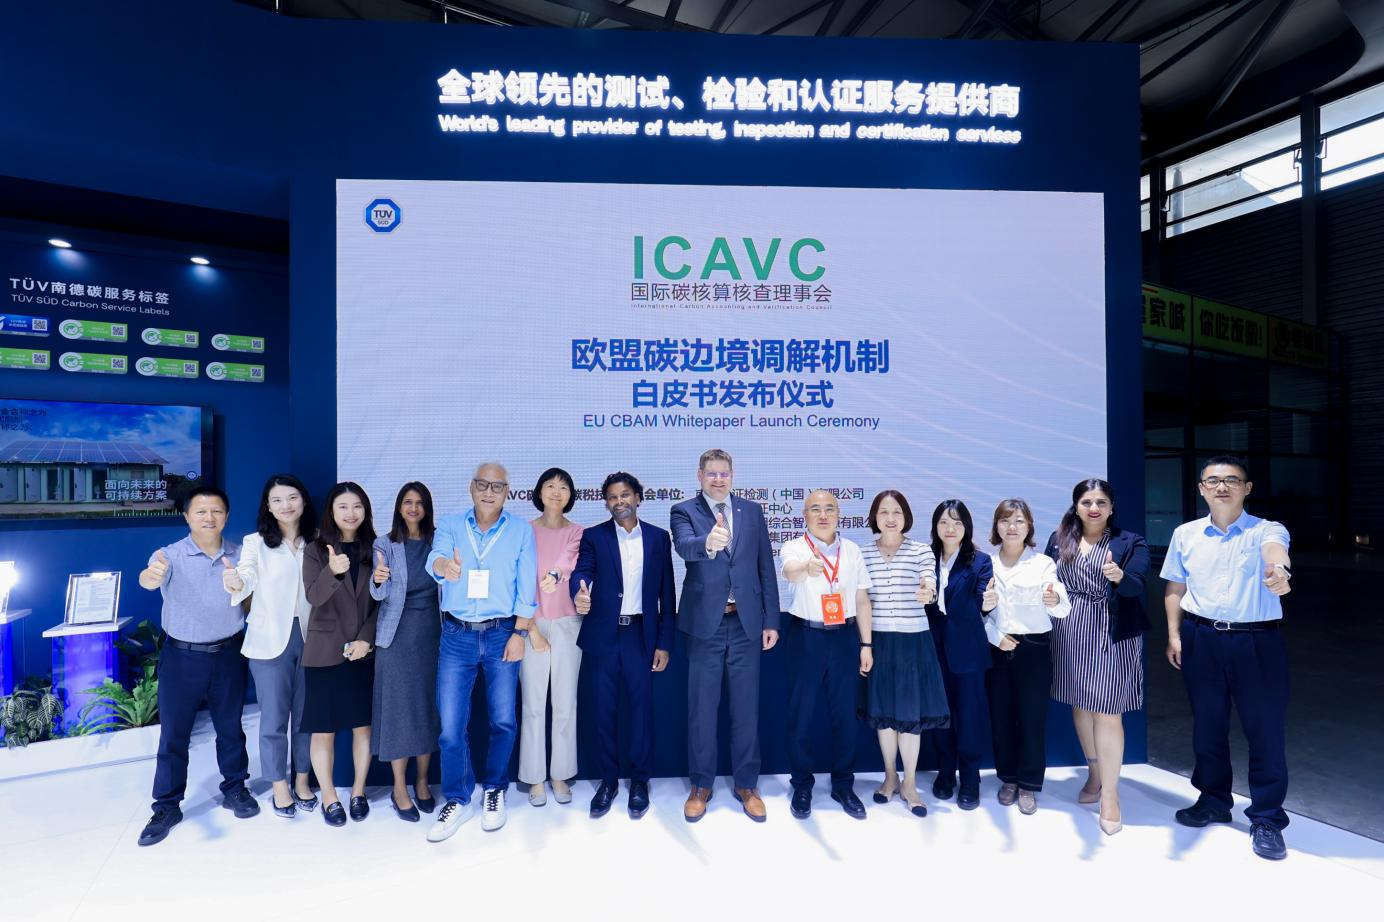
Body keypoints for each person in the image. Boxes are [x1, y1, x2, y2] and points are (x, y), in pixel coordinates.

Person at [1161, 455, 1293, 861]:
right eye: (1213, 481)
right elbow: (1175, 587)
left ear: (1247, 488)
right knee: (1207, 725)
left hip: (1256, 640)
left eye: (1232, 480)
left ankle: (1267, 818)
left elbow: (1276, 554)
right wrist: (1174, 635)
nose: (1222, 487)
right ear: (1201, 488)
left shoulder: (1266, 529)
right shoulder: (1185, 534)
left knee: (1264, 729)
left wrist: (1279, 572)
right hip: (1201, 637)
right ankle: (1214, 799)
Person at [136, 486, 258, 846]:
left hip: (229, 653)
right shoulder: (169, 555)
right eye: (201, 511)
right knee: (174, 734)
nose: (209, 518)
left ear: (227, 516)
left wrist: (244, 587)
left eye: (216, 511)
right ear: (187, 516)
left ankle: (235, 788)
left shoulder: (240, 555)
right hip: (182, 657)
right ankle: (166, 805)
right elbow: (148, 578)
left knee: (230, 728)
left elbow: (250, 603)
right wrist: (151, 576)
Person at [425, 462, 538, 843]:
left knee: (503, 720)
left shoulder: (520, 530)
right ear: (471, 487)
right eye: (482, 485)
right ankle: (458, 798)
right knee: (451, 728)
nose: (489, 492)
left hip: (502, 633)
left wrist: (520, 632)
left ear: (508, 491)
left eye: (497, 486)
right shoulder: (451, 524)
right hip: (456, 636)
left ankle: (494, 789)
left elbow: (527, 585)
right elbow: (435, 558)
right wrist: (445, 566)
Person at [670, 448, 781, 823]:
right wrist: (708, 543)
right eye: (711, 473)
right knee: (701, 710)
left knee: (746, 709)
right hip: (706, 625)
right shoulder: (684, 511)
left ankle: (747, 785)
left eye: (724, 473)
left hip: (747, 623)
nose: (718, 479)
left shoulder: (751, 511)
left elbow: (765, 567)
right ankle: (700, 785)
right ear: (699, 475)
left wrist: (771, 621)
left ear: (732, 475)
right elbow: (684, 546)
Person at [1043, 478, 1150, 837]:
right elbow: (1047, 581)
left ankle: (1111, 795)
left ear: (1111, 507)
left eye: (1101, 502)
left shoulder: (1129, 541)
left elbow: (1137, 585)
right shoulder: (1059, 540)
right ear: (1076, 506)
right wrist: (1047, 596)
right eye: (1087, 502)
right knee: (1080, 703)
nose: (1094, 508)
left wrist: (1119, 576)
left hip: (1111, 631)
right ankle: (1094, 772)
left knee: (1107, 710)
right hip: (1068, 631)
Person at [570, 471, 675, 819]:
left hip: (641, 636)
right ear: (606, 503)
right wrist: (579, 589)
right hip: (604, 636)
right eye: (613, 497)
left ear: (638, 498)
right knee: (604, 712)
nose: (619, 502)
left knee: (642, 712)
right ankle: (608, 781)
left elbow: (667, 594)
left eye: (625, 495)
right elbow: (582, 572)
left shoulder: (658, 538)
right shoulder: (594, 536)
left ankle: (640, 781)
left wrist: (664, 643)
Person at [224, 474, 319, 818]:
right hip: (269, 640)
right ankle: (279, 784)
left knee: (307, 717)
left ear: (303, 500)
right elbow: (246, 575)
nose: (285, 505)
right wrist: (237, 581)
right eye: (277, 500)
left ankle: (303, 780)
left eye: (292, 497)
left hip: (313, 636)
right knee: (274, 718)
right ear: (268, 506)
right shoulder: (255, 543)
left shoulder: (318, 539)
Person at [780, 489, 874, 820]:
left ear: (839, 514)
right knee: (801, 715)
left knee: (845, 715)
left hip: (845, 637)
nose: (823, 515)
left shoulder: (852, 550)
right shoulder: (794, 546)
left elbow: (862, 600)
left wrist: (866, 644)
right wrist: (807, 567)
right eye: (815, 509)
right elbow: (790, 572)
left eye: (829, 509)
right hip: (806, 636)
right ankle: (801, 785)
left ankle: (843, 785)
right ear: (804, 516)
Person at [859, 490, 950, 818]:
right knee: (883, 715)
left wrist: (928, 591)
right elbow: (862, 600)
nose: (890, 518)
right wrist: (866, 645)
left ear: (906, 517)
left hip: (914, 641)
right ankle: (889, 777)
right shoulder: (863, 553)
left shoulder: (920, 551)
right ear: (875, 517)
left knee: (910, 718)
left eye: (896, 512)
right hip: (879, 641)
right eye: (884, 512)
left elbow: (929, 584)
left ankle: (910, 783)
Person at [984, 498, 1070, 815]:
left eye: (1019, 521)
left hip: (1034, 648)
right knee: (1001, 718)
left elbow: (1061, 607)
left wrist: (1054, 599)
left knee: (1032, 720)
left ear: (1029, 526)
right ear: (996, 526)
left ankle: (1029, 784)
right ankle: (1008, 779)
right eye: (1005, 521)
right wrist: (995, 636)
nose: (1012, 527)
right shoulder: (985, 564)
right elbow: (975, 612)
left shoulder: (1043, 564)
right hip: (997, 648)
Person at [301, 482, 379, 827]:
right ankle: (329, 796)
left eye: (357, 506)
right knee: (324, 730)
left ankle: (358, 791)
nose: (351, 513)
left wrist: (366, 641)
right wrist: (332, 571)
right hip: (324, 651)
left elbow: (383, 603)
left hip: (363, 653)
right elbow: (314, 597)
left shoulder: (377, 548)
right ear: (331, 511)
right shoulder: (315, 550)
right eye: (343, 507)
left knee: (363, 727)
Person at [369, 482, 442, 823]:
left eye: (420, 503)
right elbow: (378, 594)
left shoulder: (439, 541)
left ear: (427, 508)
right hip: (396, 638)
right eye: (408, 502)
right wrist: (378, 579)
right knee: (398, 712)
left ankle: (422, 781)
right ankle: (399, 787)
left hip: (433, 636)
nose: (414, 508)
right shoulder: (384, 544)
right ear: (399, 507)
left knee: (427, 709)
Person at [519, 467, 583, 808]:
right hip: (532, 624)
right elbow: (517, 581)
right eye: (550, 485)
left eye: (563, 487)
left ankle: (560, 774)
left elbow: (566, 562)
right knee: (532, 705)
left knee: (565, 703)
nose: (556, 492)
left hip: (568, 624)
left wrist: (555, 574)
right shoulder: (523, 531)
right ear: (539, 491)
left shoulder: (578, 533)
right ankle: (534, 778)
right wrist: (530, 629)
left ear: (570, 495)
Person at [924, 500, 994, 811]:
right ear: (935, 527)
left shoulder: (980, 561)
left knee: (969, 717)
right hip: (932, 650)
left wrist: (988, 603)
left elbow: (983, 600)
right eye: (943, 522)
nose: (950, 528)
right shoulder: (925, 558)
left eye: (957, 522)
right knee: (940, 716)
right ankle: (945, 772)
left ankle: (969, 777)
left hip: (968, 652)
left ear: (967, 527)